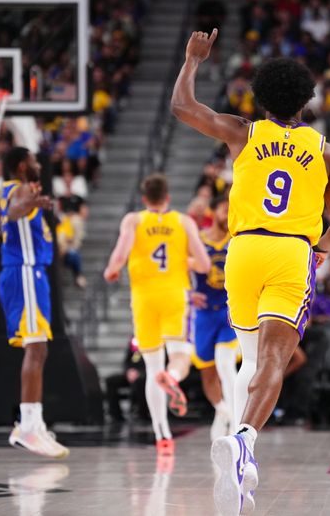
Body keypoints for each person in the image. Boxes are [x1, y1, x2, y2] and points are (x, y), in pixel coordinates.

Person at [171, 30, 330, 516]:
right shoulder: (325, 151)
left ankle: (242, 465)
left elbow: (183, 108)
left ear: (260, 98)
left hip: (242, 251)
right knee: (275, 357)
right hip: (291, 252)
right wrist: (319, 247)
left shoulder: (243, 132)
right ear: (307, 101)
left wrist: (192, 61)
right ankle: (244, 443)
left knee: (249, 357)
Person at [103, 173, 210, 456]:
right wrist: (182, 260)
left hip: (143, 298)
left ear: (144, 198)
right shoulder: (183, 222)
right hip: (174, 295)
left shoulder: (133, 220)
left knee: (151, 368)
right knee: (180, 357)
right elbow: (203, 264)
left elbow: (121, 251)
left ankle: (162, 436)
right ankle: (173, 377)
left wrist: (111, 270)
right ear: (168, 198)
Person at [0, 146, 68, 458]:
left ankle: (35, 424)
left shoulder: (21, 188)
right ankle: (27, 426)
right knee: (35, 347)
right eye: (35, 160)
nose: (39, 164)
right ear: (23, 165)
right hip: (25, 272)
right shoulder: (19, 188)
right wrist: (34, 202)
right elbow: (14, 211)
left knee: (39, 348)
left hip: (31, 273)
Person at [191, 195, 239, 441]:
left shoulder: (239, 239)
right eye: (224, 209)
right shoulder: (198, 240)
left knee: (225, 363)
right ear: (215, 211)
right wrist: (187, 293)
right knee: (208, 373)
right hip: (203, 314)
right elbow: (175, 268)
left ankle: (235, 426)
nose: (228, 214)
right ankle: (223, 410)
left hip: (229, 311)